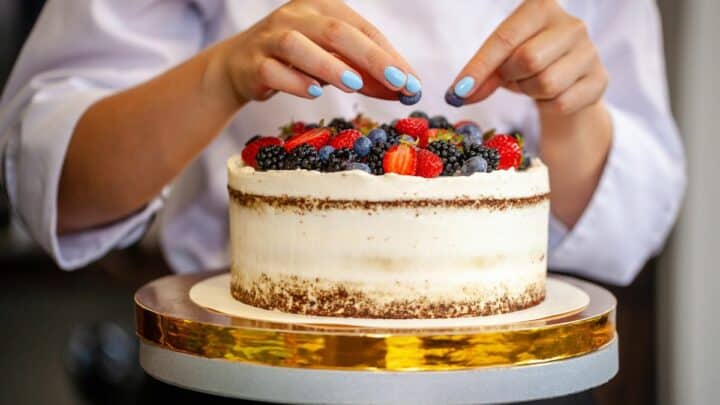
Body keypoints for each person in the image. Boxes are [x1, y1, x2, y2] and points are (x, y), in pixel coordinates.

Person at [0, 0, 684, 286]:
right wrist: (221, 74)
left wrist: (569, 111)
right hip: (246, 371)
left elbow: (636, 213)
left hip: (511, 375)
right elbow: (56, 179)